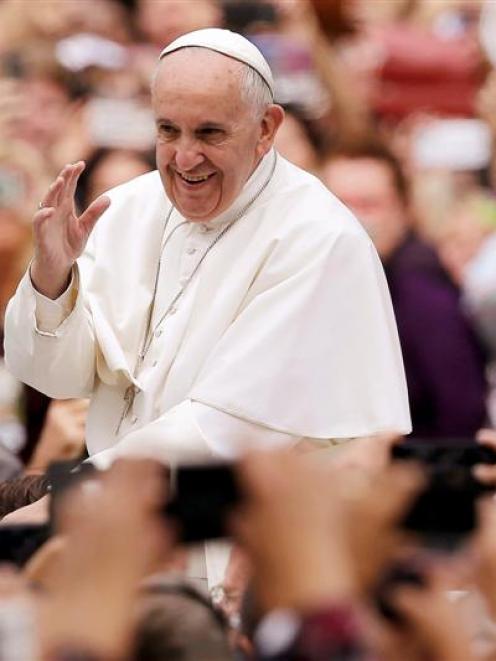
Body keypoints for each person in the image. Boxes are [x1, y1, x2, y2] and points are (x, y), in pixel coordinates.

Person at [4, 29, 410, 584]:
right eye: (168, 131)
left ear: (266, 128)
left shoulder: (319, 239)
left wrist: (71, 500)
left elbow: (224, 427)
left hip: (239, 553)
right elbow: (54, 376)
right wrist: (52, 282)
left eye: (210, 133)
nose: (184, 157)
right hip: (118, 532)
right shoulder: (125, 207)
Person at [321, 140, 488, 439]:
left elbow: (462, 418)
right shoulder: (335, 280)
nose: (353, 217)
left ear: (403, 208)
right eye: (340, 203)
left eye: (369, 204)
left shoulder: (423, 292)